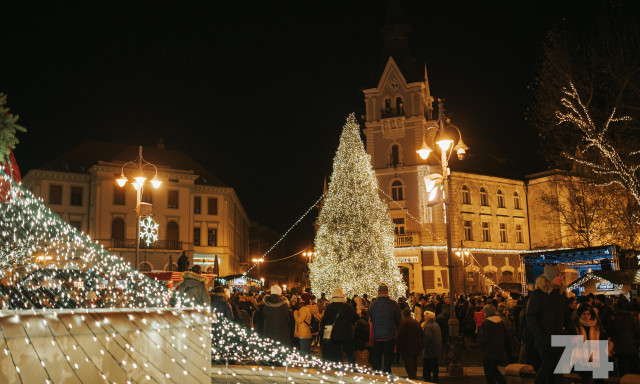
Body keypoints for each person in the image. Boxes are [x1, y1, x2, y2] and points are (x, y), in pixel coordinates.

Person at [526, 265, 573, 384]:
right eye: (558, 275)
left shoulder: (561, 294)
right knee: (547, 366)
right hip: (545, 338)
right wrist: (540, 336)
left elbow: (567, 317)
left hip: (559, 337)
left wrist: (574, 334)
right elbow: (531, 316)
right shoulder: (538, 294)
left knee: (558, 371)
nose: (561, 278)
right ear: (550, 278)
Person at [574, 305, 613, 383]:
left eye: (588, 314)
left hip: (598, 359)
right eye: (584, 314)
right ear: (580, 315)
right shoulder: (576, 327)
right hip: (582, 360)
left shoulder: (597, 326)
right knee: (587, 379)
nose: (586, 316)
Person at [369, 283, 402, 373]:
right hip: (389, 336)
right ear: (387, 292)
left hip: (377, 336)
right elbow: (399, 319)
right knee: (388, 357)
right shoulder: (393, 304)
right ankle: (387, 373)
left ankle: (377, 374)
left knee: (377, 357)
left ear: (378, 292)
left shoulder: (373, 304)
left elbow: (371, 319)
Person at [320, 287, 357, 364]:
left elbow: (325, 320)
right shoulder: (347, 306)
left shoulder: (329, 307)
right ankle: (353, 367)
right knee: (349, 352)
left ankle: (337, 366)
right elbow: (354, 318)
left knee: (336, 352)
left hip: (333, 334)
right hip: (346, 333)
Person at [480, 304, 509, 384]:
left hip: (489, 351)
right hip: (499, 350)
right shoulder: (500, 321)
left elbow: (484, 339)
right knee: (495, 370)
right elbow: (505, 336)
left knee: (489, 372)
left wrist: (481, 346)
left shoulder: (486, 323)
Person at [396, 308, 422, 380]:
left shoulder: (403, 323)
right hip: (416, 346)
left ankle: (412, 378)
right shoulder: (416, 322)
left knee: (408, 364)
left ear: (403, 314)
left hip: (407, 348)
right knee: (414, 363)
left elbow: (400, 336)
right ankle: (413, 376)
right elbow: (421, 334)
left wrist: (398, 348)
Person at [422, 310, 442, 383]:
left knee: (427, 367)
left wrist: (423, 346)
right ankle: (435, 380)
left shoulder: (428, 326)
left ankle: (427, 380)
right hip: (436, 349)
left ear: (428, 317)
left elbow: (427, 338)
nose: (424, 318)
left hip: (429, 350)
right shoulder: (436, 325)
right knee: (435, 367)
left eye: (425, 317)